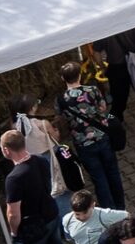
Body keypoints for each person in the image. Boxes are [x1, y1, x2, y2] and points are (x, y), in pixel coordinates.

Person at [0, 130, 81, 244]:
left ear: (6, 150)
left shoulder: (14, 178)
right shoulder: (40, 160)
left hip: (32, 228)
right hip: (50, 215)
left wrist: (14, 232)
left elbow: (13, 214)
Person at [52, 66, 125, 213]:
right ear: (79, 75)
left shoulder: (60, 100)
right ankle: (121, 206)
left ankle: (109, 210)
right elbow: (103, 108)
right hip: (102, 137)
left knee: (99, 178)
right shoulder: (92, 90)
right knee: (113, 172)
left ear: (62, 78)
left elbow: (60, 118)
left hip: (83, 143)